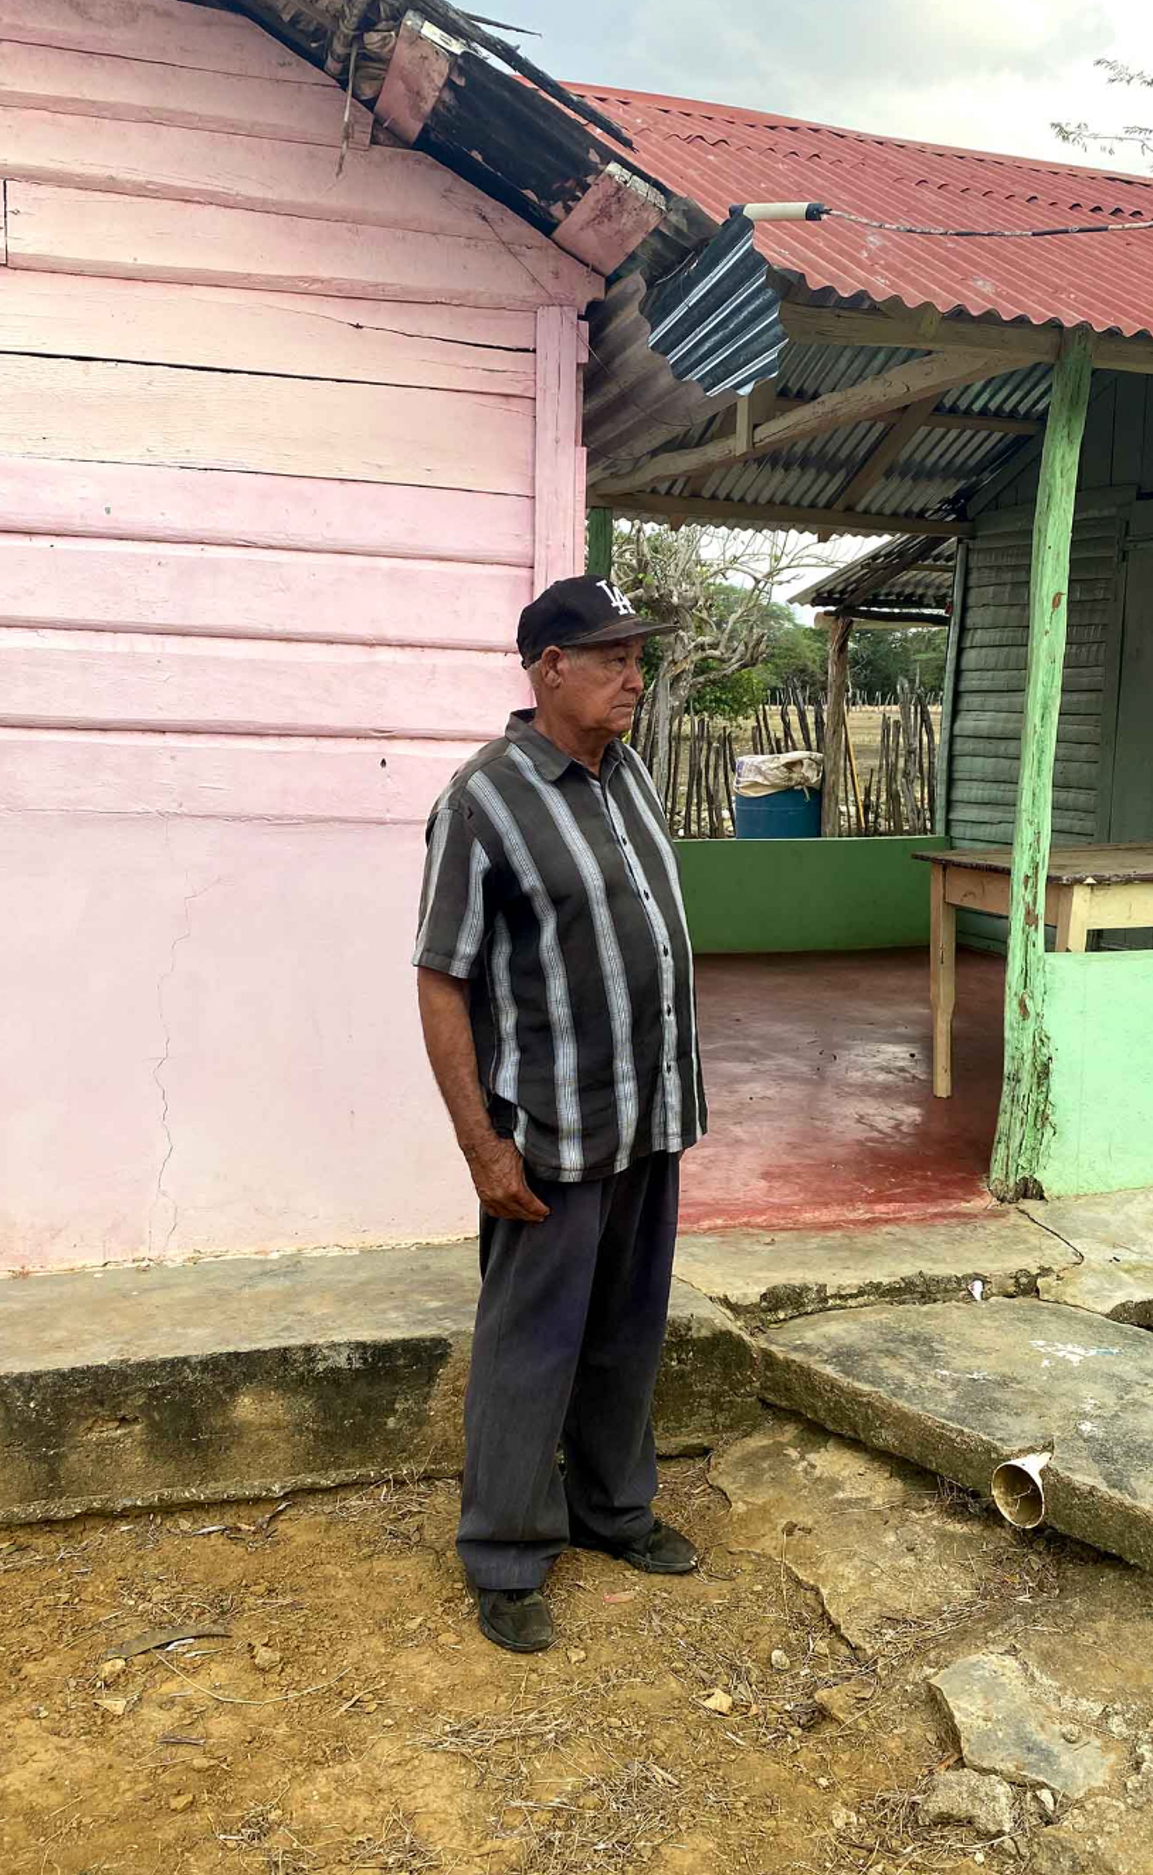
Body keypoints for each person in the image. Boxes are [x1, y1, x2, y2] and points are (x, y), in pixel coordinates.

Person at [413, 574, 707, 1654]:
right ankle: (504, 1551)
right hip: (549, 1128)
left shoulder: (630, 775)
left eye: (639, 658)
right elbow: (440, 980)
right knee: (530, 1346)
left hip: (648, 1111)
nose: (636, 677)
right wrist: (480, 1147)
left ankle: (613, 1508)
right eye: (614, 658)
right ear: (551, 668)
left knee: (628, 1329)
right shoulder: (482, 801)